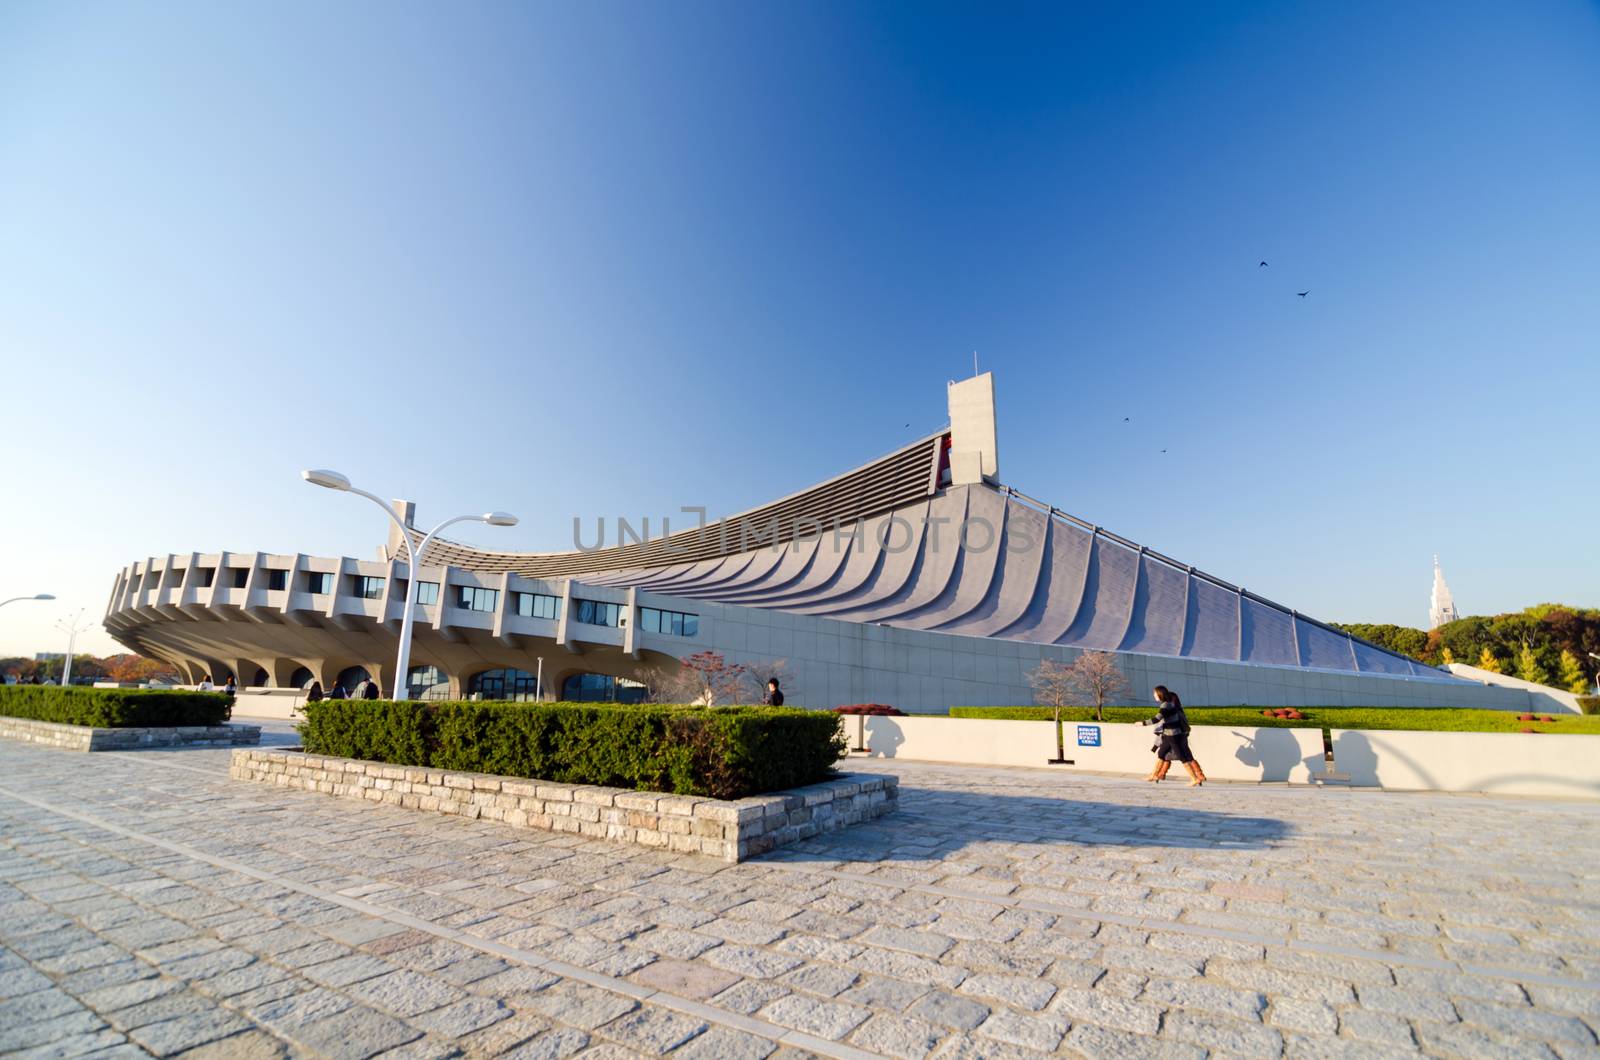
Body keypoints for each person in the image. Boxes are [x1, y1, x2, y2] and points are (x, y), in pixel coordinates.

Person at [1139, 685, 1206, 786]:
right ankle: (1154, 775)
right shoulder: (1169, 705)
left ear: (1160, 694)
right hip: (1168, 734)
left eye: (1155, 693)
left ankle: (1194, 778)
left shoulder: (1166, 706)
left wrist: (1142, 723)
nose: (1154, 695)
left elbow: (1156, 719)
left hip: (1173, 735)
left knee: (1182, 757)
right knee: (1161, 753)